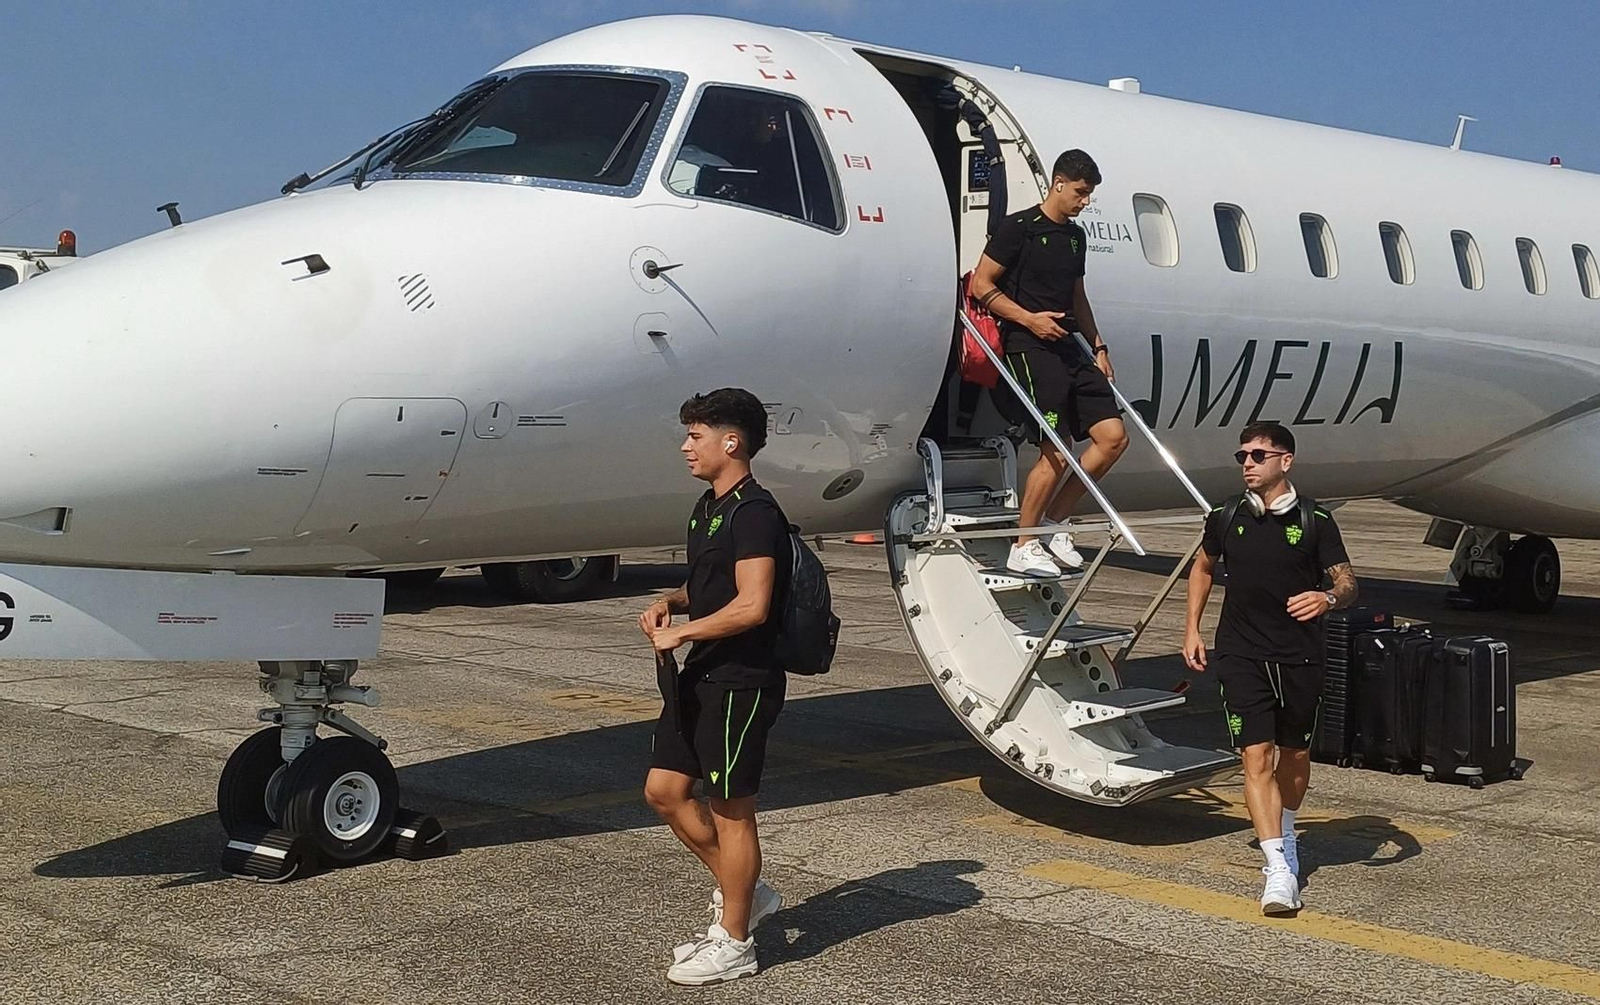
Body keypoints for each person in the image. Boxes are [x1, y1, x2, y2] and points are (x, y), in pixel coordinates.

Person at [639, 387, 791, 986]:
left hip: (741, 679)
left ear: (732, 442)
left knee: (732, 812)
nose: (685, 447)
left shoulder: (755, 512)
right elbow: (710, 584)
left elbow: (753, 606)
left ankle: (735, 943)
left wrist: (683, 633)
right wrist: (670, 601)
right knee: (664, 791)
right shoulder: (709, 507)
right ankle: (745, 895)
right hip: (703, 670)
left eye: (696, 436)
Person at [1182, 422, 1359, 914]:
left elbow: (1348, 583)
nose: (1248, 464)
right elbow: (1202, 566)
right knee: (1255, 755)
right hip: (1239, 652)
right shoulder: (1224, 515)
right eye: (1243, 455)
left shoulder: (1316, 519)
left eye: (1259, 455)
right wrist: (1192, 628)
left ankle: (1287, 830)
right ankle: (1278, 866)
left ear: (1286, 461)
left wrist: (1326, 597)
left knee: (1294, 756)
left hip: (1300, 655)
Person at [970, 148, 1129, 577]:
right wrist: (1029, 320)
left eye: (1089, 194)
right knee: (1057, 451)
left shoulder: (1075, 237)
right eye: (1080, 192)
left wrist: (1098, 346)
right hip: (1028, 343)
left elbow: (1078, 297)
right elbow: (981, 284)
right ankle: (1024, 544)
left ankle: (1056, 522)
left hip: (1070, 344)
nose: (1085, 201)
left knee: (1113, 438)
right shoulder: (1017, 228)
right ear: (1058, 183)